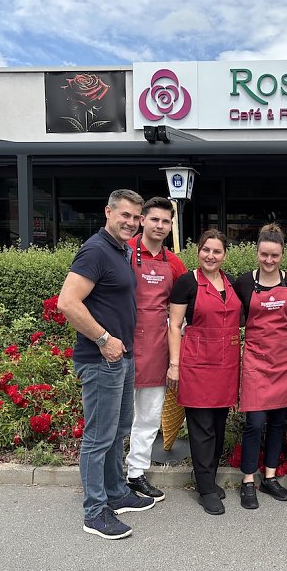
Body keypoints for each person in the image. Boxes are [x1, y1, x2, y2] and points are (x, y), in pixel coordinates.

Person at [58, 189, 155, 540]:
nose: (130, 222)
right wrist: (103, 339)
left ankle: (116, 492)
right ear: (108, 213)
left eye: (135, 217)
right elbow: (67, 302)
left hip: (121, 357)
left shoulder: (122, 249)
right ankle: (95, 511)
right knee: (98, 437)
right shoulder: (95, 250)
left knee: (118, 430)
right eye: (124, 215)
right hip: (102, 358)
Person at [167, 229, 242, 515]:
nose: (211, 255)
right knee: (202, 428)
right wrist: (174, 364)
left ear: (224, 255)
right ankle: (206, 488)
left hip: (226, 365)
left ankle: (207, 478)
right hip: (196, 364)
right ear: (198, 251)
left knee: (219, 425)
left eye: (217, 251)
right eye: (206, 250)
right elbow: (174, 326)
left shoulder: (231, 283)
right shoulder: (186, 282)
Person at [233, 223, 287, 509]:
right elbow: (234, 319)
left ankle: (270, 477)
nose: (269, 260)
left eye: (275, 255)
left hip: (286, 361)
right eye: (264, 255)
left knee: (276, 422)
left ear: (282, 254)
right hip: (256, 361)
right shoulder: (244, 283)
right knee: (255, 422)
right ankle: (248, 480)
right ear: (257, 252)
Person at [124, 197, 187, 502]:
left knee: (148, 417)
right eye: (155, 220)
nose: (160, 226)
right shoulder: (121, 251)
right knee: (116, 417)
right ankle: (109, 475)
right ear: (142, 220)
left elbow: (187, 304)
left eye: (166, 222)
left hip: (156, 348)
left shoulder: (173, 263)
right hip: (120, 343)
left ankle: (135, 473)